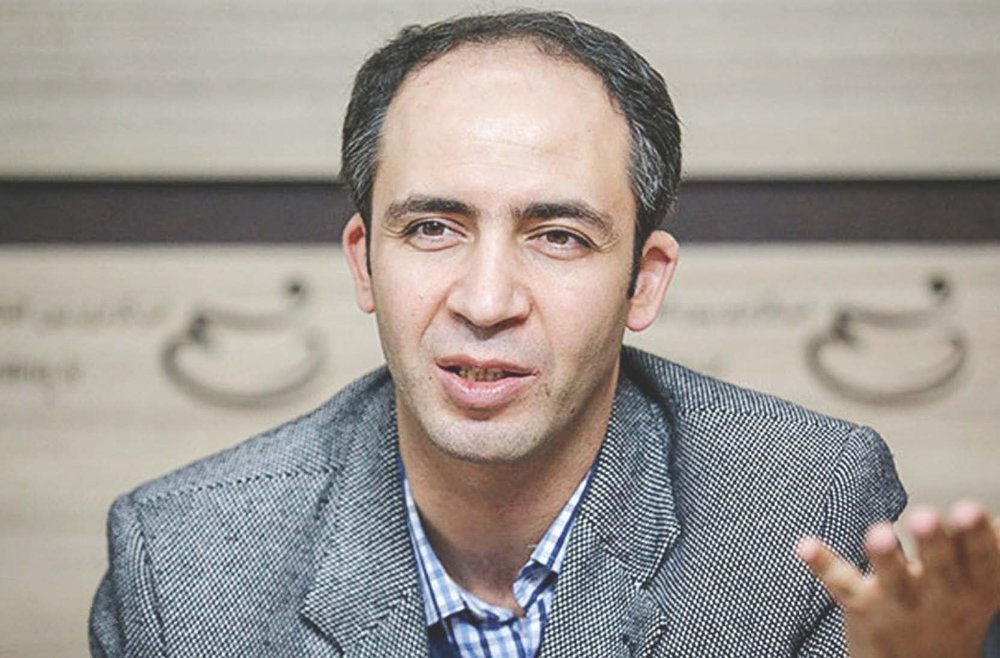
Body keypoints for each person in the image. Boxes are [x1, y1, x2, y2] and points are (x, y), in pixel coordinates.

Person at [89, 10, 1000, 657]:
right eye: (432, 227)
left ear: (644, 280)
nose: (487, 302)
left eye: (559, 236)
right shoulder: (184, 563)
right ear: (364, 263)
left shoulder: (804, 503)